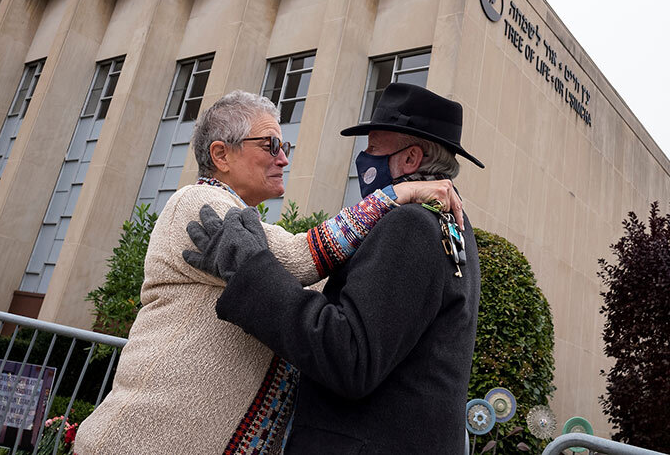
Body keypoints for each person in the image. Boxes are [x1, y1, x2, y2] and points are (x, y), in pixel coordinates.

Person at [74, 90, 461, 455]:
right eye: (270, 145)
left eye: (285, 147)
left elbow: (305, 296)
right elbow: (298, 259)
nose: (283, 159)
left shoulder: (245, 222)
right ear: (221, 155)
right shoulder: (196, 205)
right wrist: (396, 196)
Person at [188, 83, 483, 454]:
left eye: (374, 149)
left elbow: (350, 356)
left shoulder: (412, 225)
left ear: (410, 160)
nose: (364, 159)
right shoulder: (449, 227)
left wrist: (251, 270)